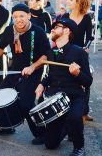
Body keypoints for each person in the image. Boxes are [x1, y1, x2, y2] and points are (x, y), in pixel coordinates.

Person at [0, 4, 50, 145]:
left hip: (34, 71)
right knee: (0, 97)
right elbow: (0, 46)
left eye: (21, 16)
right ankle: (6, 127)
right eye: (15, 17)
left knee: (27, 104)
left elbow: (47, 55)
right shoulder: (10, 30)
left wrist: (32, 67)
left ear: (28, 15)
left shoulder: (38, 32)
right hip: (15, 70)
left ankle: (42, 134)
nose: (18, 19)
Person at [35, 18, 92, 156]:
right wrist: (42, 84)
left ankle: (79, 147)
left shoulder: (79, 52)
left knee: (74, 117)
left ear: (66, 31)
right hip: (56, 99)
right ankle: (67, 127)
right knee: (50, 145)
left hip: (75, 96)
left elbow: (88, 81)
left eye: (57, 27)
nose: (52, 29)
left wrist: (77, 73)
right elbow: (51, 75)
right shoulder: (51, 52)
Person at [63, 0, 93, 121]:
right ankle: (68, 109)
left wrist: (86, 48)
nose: (68, 1)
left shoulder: (86, 18)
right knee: (67, 81)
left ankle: (84, 112)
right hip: (66, 52)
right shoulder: (64, 16)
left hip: (81, 53)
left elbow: (89, 37)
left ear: (79, 2)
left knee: (85, 82)